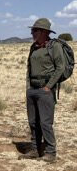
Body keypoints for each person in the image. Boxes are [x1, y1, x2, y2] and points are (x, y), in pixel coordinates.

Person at [19, 18, 65, 163]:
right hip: (32, 89)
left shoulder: (54, 46)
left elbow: (60, 67)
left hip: (45, 90)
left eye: (35, 30)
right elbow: (29, 68)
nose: (32, 33)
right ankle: (35, 149)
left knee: (45, 122)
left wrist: (48, 87)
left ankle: (50, 152)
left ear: (44, 32)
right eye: (32, 30)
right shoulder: (33, 47)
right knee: (33, 122)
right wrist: (28, 88)